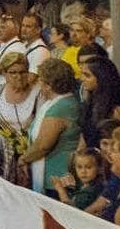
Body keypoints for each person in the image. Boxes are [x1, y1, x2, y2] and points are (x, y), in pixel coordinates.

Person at [20, 59, 82, 194]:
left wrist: (23, 159)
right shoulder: (62, 102)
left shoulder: (60, 108)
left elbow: (43, 145)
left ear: (49, 85)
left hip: (57, 180)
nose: (38, 84)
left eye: (40, 80)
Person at [0, 52, 41, 188]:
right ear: (4, 74)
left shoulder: (38, 93)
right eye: (13, 73)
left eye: (23, 72)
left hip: (31, 158)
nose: (19, 77)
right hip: (3, 158)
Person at [77, 52, 120, 147]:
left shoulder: (117, 111)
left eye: (87, 75)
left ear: (101, 78)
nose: (82, 79)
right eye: (82, 74)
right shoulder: (89, 105)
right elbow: (83, 140)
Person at [52, 147, 108, 212]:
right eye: (79, 167)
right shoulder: (85, 184)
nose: (83, 171)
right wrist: (71, 188)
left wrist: (61, 190)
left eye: (88, 167)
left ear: (99, 168)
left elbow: (71, 211)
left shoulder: (92, 190)